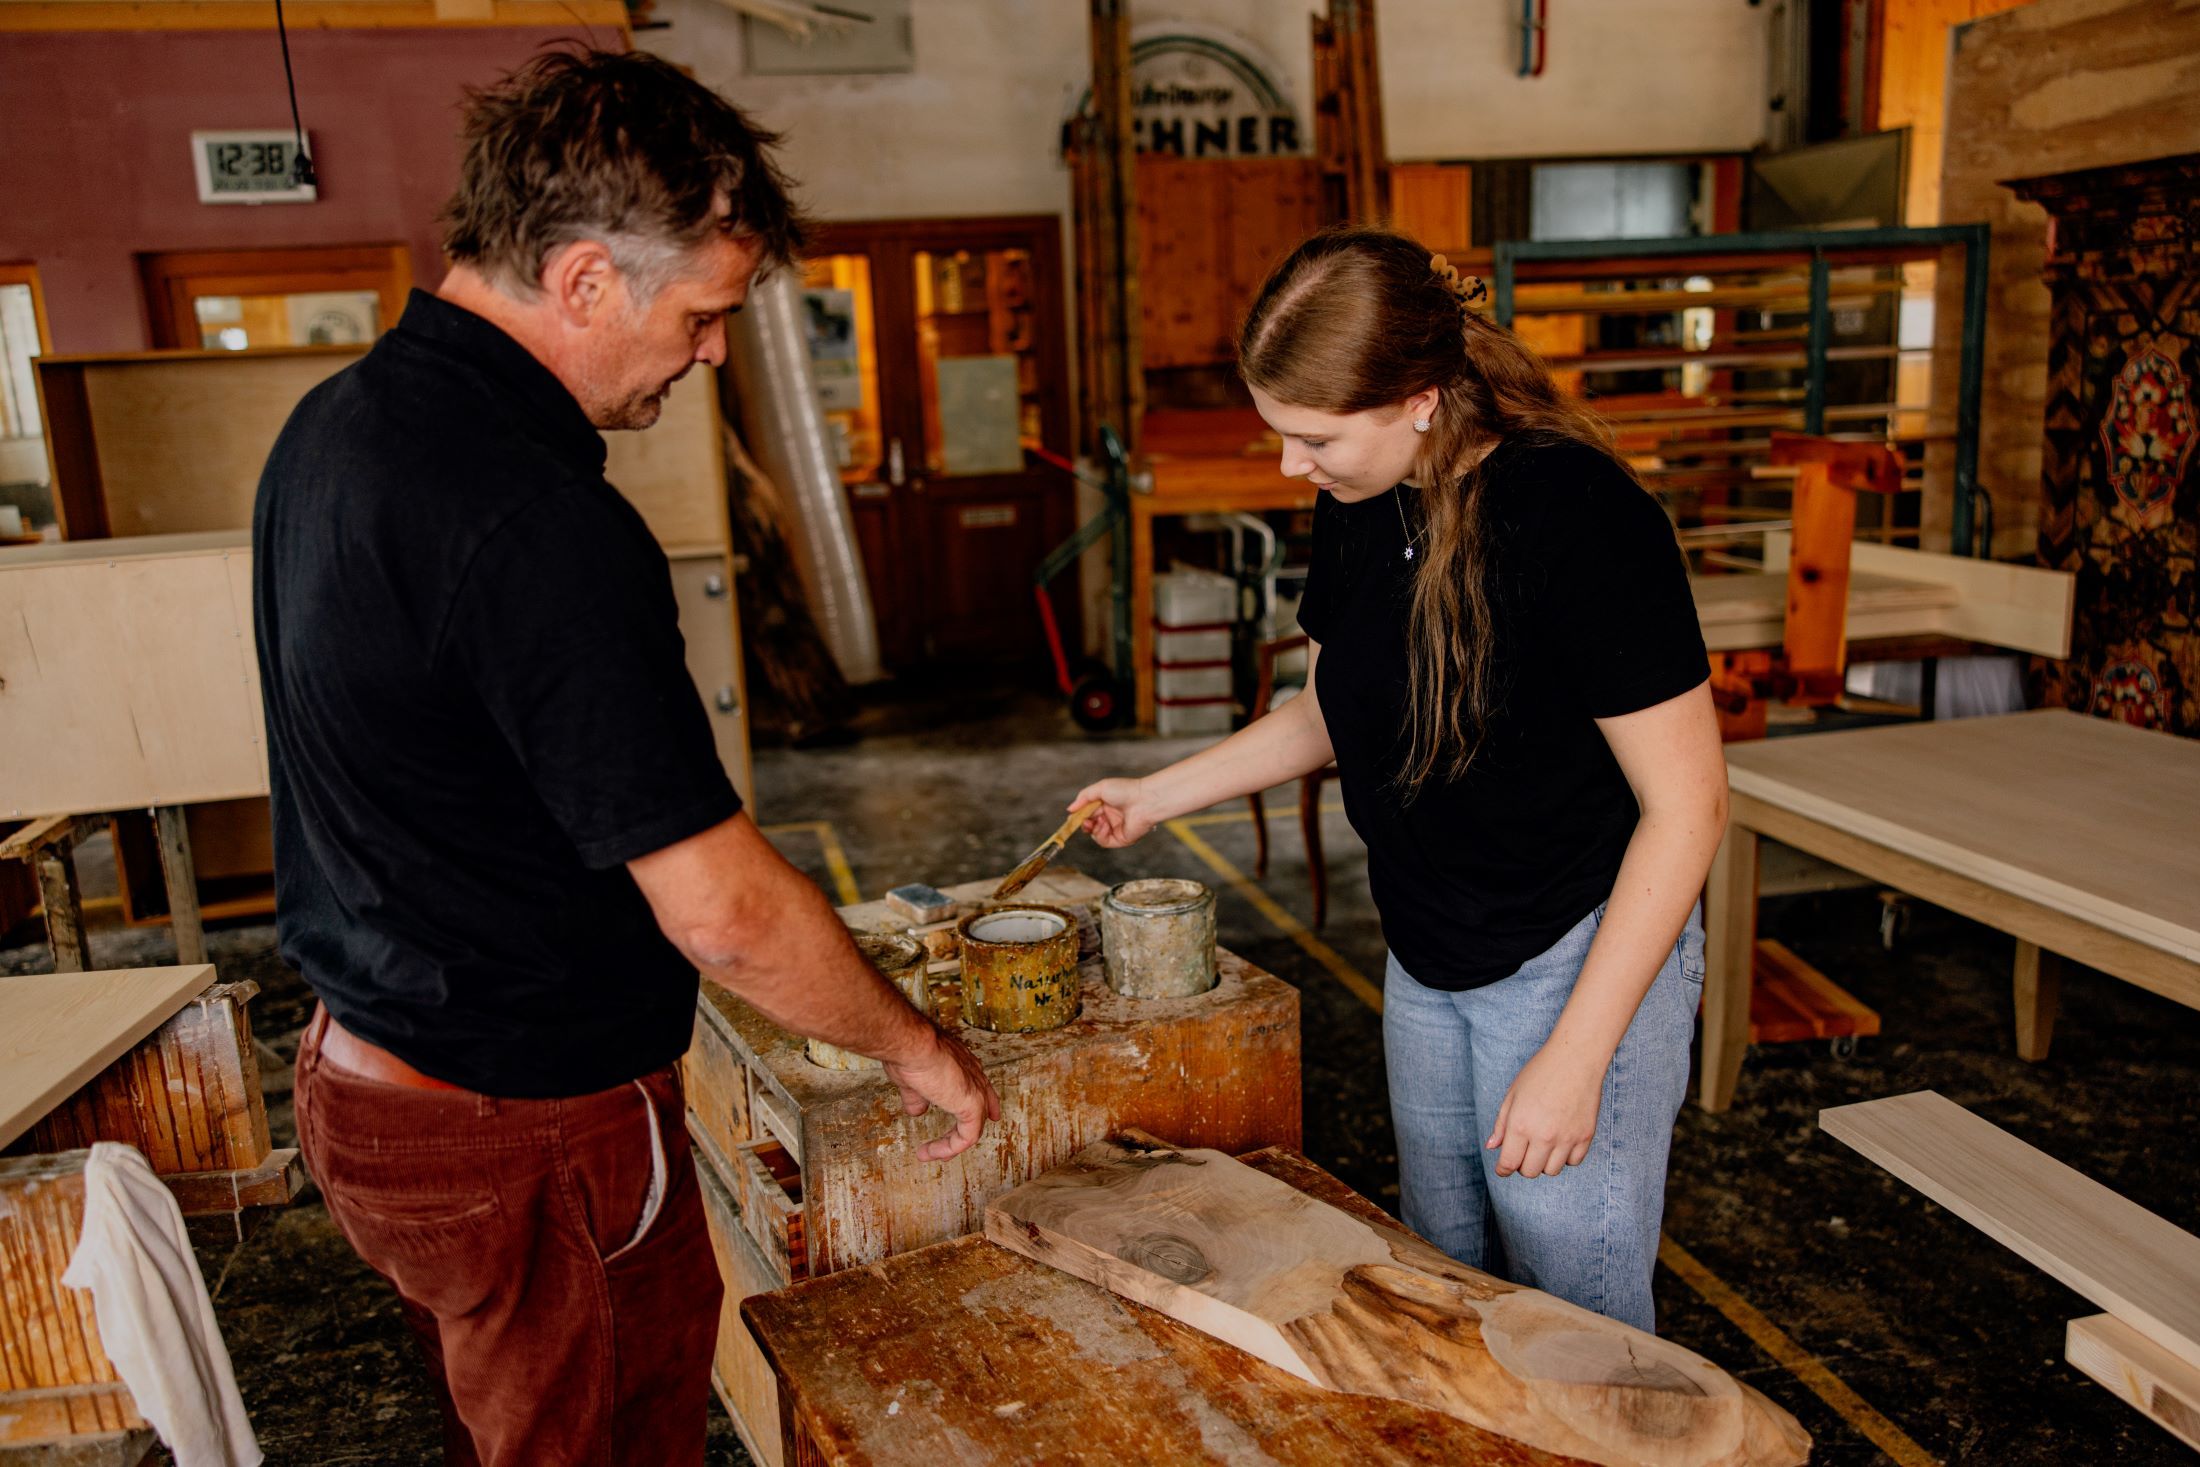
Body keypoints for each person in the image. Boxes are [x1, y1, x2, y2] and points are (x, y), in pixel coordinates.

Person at [254, 49, 998, 1465]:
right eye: (704, 313)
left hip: (365, 1080)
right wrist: (916, 1046)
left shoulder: (337, 426)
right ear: (586, 279)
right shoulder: (538, 523)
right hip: (520, 1126)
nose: (713, 353)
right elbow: (722, 913)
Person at [1074, 228, 1724, 1334]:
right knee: (1439, 1270)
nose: (1292, 466)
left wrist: (1578, 1056)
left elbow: (1688, 807)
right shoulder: (1357, 498)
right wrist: (1156, 794)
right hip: (1427, 949)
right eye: (1282, 434)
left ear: (1421, 398)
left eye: (1314, 437)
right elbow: (1328, 708)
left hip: (1570, 951)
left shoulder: (1580, 515)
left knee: (1574, 1310)